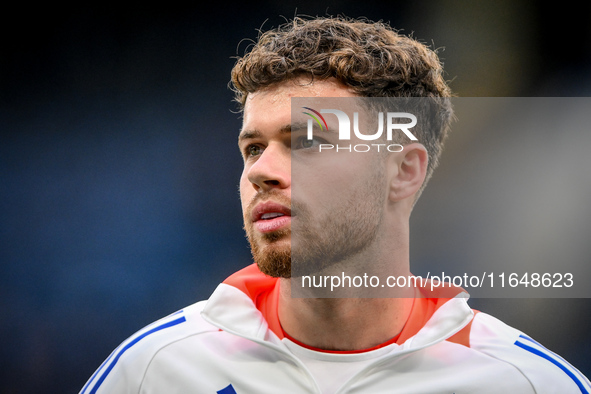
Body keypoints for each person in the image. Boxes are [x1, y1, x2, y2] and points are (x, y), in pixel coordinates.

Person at [80, 16, 590, 393]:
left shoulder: (525, 383)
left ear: (403, 170)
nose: (260, 171)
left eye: (305, 141)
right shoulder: (153, 371)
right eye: (253, 148)